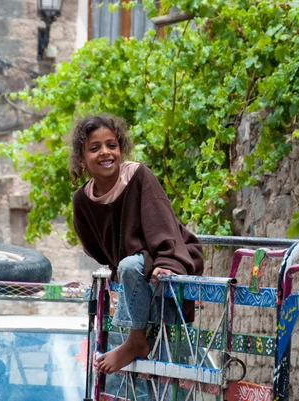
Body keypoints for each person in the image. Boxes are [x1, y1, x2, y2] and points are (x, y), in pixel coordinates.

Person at [70, 115, 204, 374]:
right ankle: (136, 342)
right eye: (95, 148)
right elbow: (94, 248)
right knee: (128, 267)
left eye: (112, 145)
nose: (105, 153)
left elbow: (163, 224)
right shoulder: (82, 201)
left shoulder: (137, 176)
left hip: (169, 253)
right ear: (81, 159)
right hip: (132, 265)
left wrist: (166, 262)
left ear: (121, 149)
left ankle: (135, 342)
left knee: (131, 266)